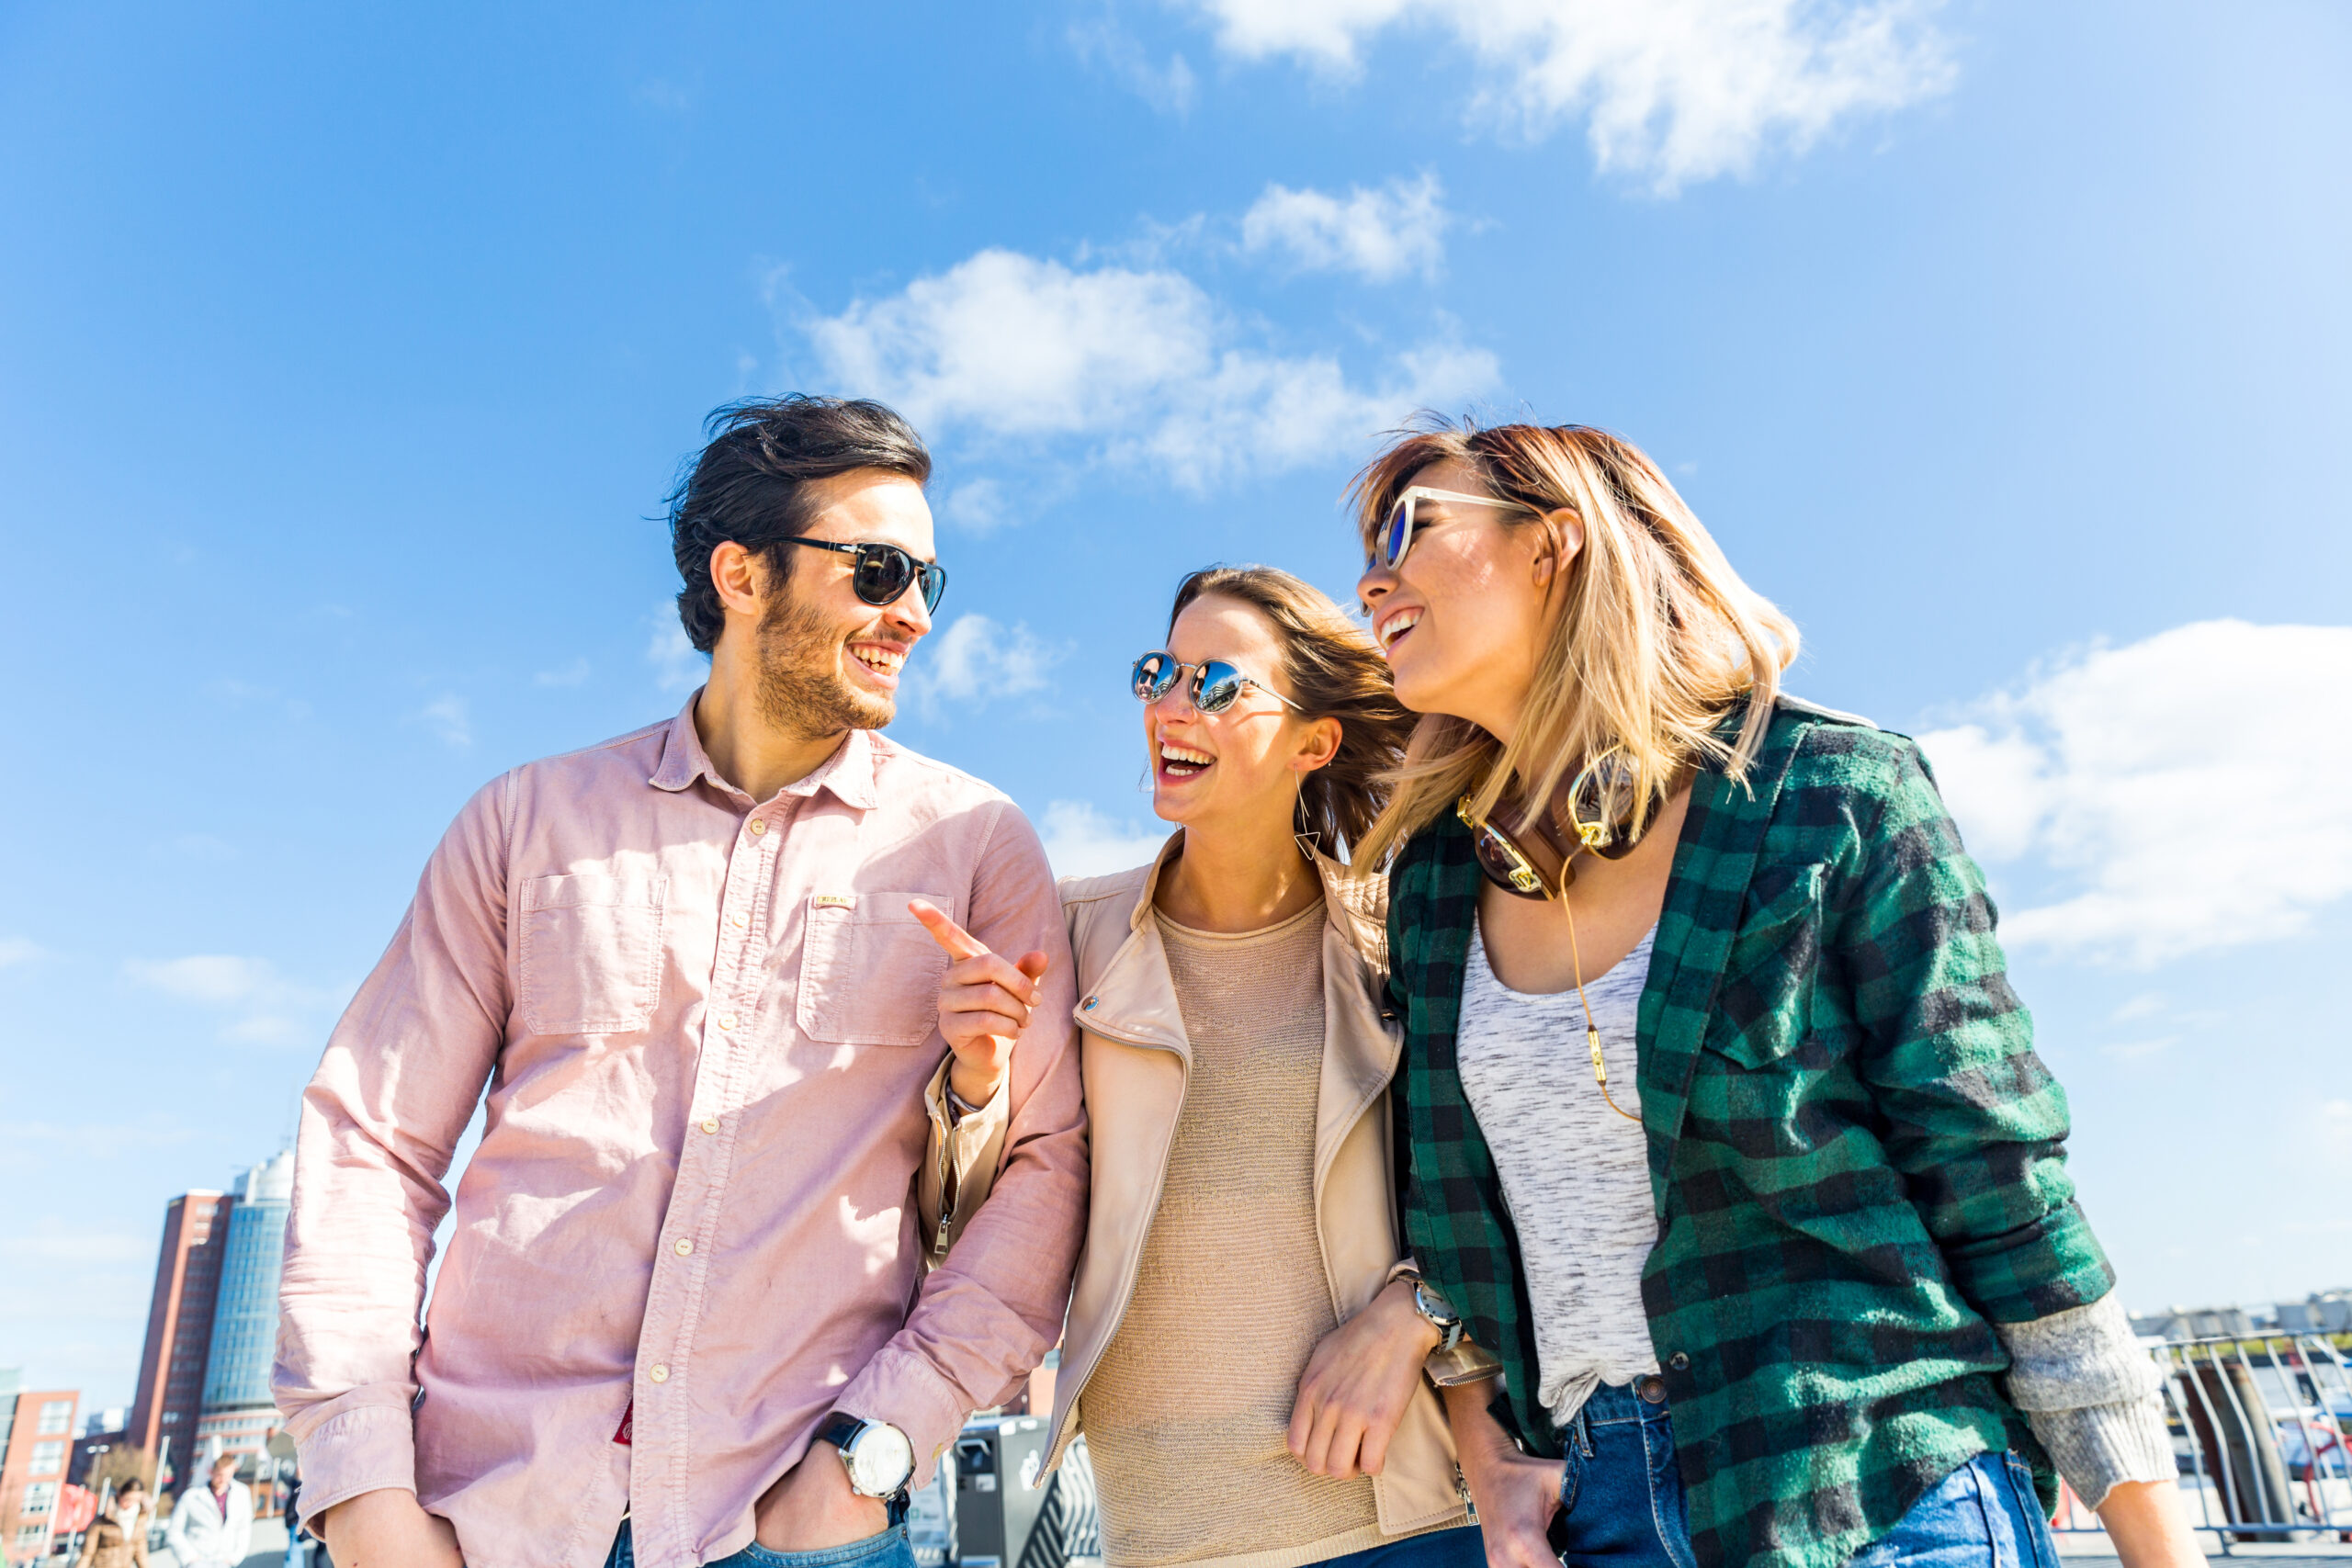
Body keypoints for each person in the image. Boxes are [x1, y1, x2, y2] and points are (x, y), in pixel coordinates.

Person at [1348, 418, 2205, 1568]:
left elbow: (1999, 1178)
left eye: (1411, 528)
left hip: (1879, 1486)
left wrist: (2156, 1546)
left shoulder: (1833, 795)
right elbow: (1453, 1228)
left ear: (1554, 544)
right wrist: (1495, 1467)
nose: (1370, 577)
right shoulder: (1437, 882)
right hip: (1600, 1511)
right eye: (1365, 547)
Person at [273, 396, 1088, 1568]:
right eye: (877, 569)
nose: (911, 613)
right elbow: (371, 1141)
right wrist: (361, 1495)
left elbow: (1047, 1166)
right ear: (742, 574)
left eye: (928, 581)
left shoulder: (974, 844)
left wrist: (876, 1453)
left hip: (801, 1527)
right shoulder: (522, 823)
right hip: (487, 1520)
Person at [914, 567, 1488, 1568]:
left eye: (1216, 686)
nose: (1171, 709)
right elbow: (962, 1235)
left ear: (1314, 743)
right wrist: (976, 1082)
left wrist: (1408, 1315)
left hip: (1404, 1527)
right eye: (1159, 675)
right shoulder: (1072, 934)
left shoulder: (1393, 939)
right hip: (1153, 1538)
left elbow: (1488, 1184)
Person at [165, 1458, 252, 1568]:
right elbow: (174, 1531)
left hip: (224, 1561)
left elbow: (244, 1528)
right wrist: (189, 1558)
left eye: (229, 1475)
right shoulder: (192, 1496)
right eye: (220, 1475)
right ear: (211, 1471)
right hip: (197, 1560)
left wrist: (234, 1558)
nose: (223, 1479)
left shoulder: (242, 1494)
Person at [73, 1479, 150, 1568]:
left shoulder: (139, 1520)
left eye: (136, 1500)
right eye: (127, 1499)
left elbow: (141, 1553)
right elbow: (87, 1554)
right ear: (119, 1495)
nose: (130, 1504)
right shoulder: (101, 1522)